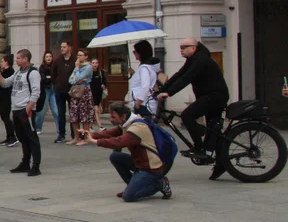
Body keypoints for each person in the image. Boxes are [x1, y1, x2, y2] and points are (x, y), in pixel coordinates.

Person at [157, 39, 230, 174]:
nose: (181, 50)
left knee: (187, 115)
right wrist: (162, 90)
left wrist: (169, 93)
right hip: (209, 96)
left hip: (215, 96)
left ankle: (199, 148)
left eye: (184, 47)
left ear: (194, 48)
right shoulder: (193, 60)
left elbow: (187, 78)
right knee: (214, 129)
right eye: (180, 47)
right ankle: (221, 163)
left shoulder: (201, 60)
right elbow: (179, 75)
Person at [80, 101, 172, 201]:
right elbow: (110, 133)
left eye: (113, 117)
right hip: (140, 164)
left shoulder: (137, 127)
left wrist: (95, 141)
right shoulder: (127, 123)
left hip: (150, 169)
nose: (111, 120)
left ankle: (160, 184)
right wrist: (90, 134)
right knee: (115, 157)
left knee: (128, 197)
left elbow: (119, 142)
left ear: (123, 116)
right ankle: (132, 186)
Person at [0, 49, 42, 176]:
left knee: (32, 138)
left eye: (18, 58)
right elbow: (5, 83)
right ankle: (25, 162)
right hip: (16, 110)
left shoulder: (33, 73)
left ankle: (36, 165)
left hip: (25, 111)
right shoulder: (18, 72)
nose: (16, 60)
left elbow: (36, 93)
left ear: (25, 59)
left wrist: (27, 110)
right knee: (22, 138)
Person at [67, 49, 95, 146]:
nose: (79, 57)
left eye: (81, 55)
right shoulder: (77, 67)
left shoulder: (88, 67)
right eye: (78, 55)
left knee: (84, 115)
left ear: (86, 56)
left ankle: (86, 138)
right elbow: (71, 80)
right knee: (74, 115)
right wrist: (77, 72)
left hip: (84, 92)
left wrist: (77, 70)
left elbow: (77, 78)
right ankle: (76, 137)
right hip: (75, 92)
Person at [50, 41, 77, 143]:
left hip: (72, 91)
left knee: (73, 113)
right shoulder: (57, 60)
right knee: (61, 113)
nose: (62, 49)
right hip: (60, 90)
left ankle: (74, 134)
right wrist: (57, 84)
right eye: (61, 47)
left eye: (64, 47)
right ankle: (61, 134)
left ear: (69, 48)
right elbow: (53, 74)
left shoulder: (75, 60)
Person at [129, 40, 162, 119]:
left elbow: (145, 86)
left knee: (142, 128)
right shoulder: (147, 67)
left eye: (135, 51)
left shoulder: (144, 68)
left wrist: (138, 102)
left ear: (141, 53)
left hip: (144, 105)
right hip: (145, 104)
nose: (134, 53)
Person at [0, 54, 17, 147]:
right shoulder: (5, 71)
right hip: (0, 97)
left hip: (5, 98)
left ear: (6, 62)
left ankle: (12, 137)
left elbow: (2, 82)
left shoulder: (9, 71)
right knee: (4, 117)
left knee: (5, 117)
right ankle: (8, 137)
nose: (1, 63)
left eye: (2, 61)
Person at [34, 52, 54, 134]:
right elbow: (43, 79)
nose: (49, 58)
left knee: (56, 111)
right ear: (44, 58)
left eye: (50, 56)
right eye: (47, 56)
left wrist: (49, 78)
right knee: (41, 111)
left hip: (54, 89)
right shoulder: (42, 67)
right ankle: (37, 128)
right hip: (45, 89)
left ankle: (60, 131)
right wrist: (49, 78)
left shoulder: (54, 66)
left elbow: (55, 77)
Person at [90, 58, 108, 128]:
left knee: (94, 111)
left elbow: (104, 81)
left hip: (98, 94)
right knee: (96, 110)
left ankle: (90, 126)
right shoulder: (89, 72)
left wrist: (103, 85)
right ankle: (100, 126)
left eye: (96, 63)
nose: (95, 64)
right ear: (91, 64)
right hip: (91, 93)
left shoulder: (100, 72)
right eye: (93, 63)